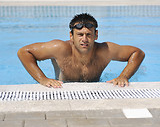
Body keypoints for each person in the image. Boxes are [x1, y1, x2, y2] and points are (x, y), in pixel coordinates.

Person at [17, 13, 145, 88]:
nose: (84, 39)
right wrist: (42, 79)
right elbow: (24, 52)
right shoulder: (59, 48)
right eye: (80, 35)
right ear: (71, 36)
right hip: (63, 88)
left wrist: (123, 76)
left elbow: (137, 53)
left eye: (89, 35)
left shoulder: (105, 50)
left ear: (96, 35)